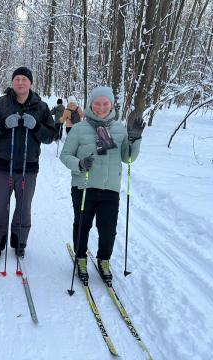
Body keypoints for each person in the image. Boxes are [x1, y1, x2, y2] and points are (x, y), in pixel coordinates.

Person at [59, 86, 145, 284]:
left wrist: (135, 139)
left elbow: (127, 158)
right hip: (84, 186)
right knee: (82, 225)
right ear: (91, 104)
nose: (101, 107)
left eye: (105, 103)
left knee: (108, 229)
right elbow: (65, 156)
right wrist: (79, 164)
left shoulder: (119, 128)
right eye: (97, 103)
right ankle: (80, 257)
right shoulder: (80, 128)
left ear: (111, 105)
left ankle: (104, 259)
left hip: (110, 188)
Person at [0, 66, 56, 259]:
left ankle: (19, 241)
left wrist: (37, 126)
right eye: (17, 79)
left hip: (28, 168)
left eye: (24, 79)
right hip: (3, 166)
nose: (20, 82)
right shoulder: (1, 103)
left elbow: (50, 136)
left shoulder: (41, 107)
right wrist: (4, 125)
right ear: (12, 82)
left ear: (31, 82)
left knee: (24, 207)